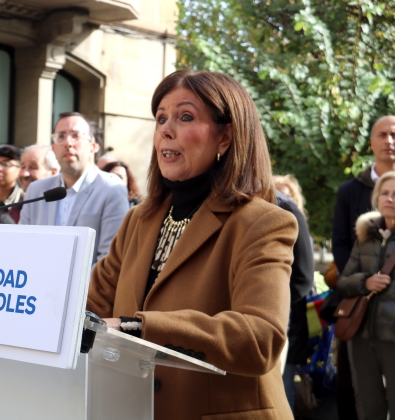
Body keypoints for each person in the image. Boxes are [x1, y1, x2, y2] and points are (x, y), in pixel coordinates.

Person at [87, 70, 298, 420]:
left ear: (226, 136)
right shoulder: (138, 220)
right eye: (161, 119)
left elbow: (261, 339)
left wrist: (138, 327)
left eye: (186, 117)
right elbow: (91, 308)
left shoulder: (261, 222)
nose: (166, 130)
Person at [331, 116, 395, 420]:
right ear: (371, 142)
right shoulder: (350, 191)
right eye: (382, 135)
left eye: (394, 135)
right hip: (360, 311)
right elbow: (341, 243)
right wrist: (360, 282)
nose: (389, 141)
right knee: (359, 392)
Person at [20, 112, 129, 266]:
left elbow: (109, 259)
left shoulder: (111, 189)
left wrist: (73, 289)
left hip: (88, 288)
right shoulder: (37, 190)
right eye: (61, 136)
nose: (68, 143)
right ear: (53, 148)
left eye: (76, 135)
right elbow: (23, 247)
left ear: (93, 146)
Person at [273, 175, 314, 413]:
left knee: (282, 387)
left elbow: (303, 277)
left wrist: (276, 301)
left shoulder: (293, 220)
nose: (280, 198)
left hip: (287, 321)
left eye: (286, 195)